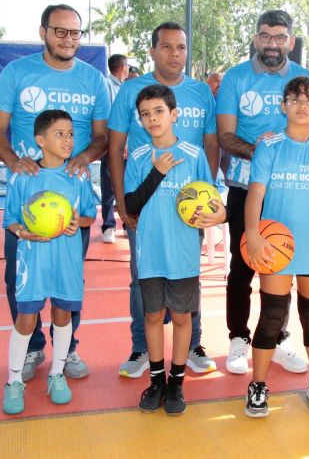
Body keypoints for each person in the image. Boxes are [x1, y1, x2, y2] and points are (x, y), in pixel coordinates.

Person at [0, 4, 110, 382]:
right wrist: (14, 161)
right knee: (19, 278)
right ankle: (34, 348)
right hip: (30, 200)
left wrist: (85, 156)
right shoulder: (17, 72)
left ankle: (67, 350)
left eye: (75, 33)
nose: (69, 39)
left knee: (69, 278)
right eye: (61, 32)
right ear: (43, 32)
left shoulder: (93, 79)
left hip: (71, 197)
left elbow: (102, 137)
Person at [108, 22, 219, 378]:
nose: (175, 54)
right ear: (153, 50)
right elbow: (114, 147)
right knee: (143, 276)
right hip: (147, 202)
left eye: (181, 47)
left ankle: (193, 345)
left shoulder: (202, 92)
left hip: (187, 208)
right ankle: (141, 347)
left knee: (188, 274)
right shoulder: (131, 91)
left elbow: (212, 145)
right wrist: (123, 204)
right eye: (167, 47)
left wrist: (206, 198)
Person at [217, 9, 309, 375]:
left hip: (292, 191)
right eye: (265, 36)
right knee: (242, 268)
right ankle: (238, 337)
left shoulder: (304, 79)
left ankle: (277, 337)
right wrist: (265, 153)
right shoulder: (236, 78)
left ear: (290, 40)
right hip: (245, 187)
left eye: (279, 37)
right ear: (256, 38)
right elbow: (226, 136)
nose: (272, 43)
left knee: (284, 265)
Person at [242, 77, 309, 417]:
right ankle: (257, 385)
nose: (303, 105)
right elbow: (255, 192)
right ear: (283, 106)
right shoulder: (269, 147)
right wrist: (253, 234)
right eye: (296, 99)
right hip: (276, 248)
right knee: (272, 315)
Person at [124, 84, 227, 416]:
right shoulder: (139, 157)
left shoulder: (194, 155)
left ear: (174, 115)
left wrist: (220, 213)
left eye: (158, 112)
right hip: (151, 253)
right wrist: (158, 172)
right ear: (139, 121)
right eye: (145, 114)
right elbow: (131, 203)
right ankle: (156, 380)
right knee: (152, 315)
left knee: (182, 317)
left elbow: (213, 199)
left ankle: (177, 382)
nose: (152, 119)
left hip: (182, 254)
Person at [1, 110, 97, 414]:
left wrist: (76, 222)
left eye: (70, 134)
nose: (68, 140)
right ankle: (14, 381)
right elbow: (10, 220)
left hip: (66, 259)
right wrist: (23, 232)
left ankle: (56, 375)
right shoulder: (23, 175)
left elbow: (90, 215)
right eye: (59, 134)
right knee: (26, 319)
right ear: (40, 140)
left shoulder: (78, 174)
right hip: (33, 261)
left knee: (62, 315)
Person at [101, 54, 130, 244]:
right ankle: (109, 226)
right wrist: (113, 147)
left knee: (129, 186)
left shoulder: (127, 88)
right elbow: (105, 120)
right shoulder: (106, 86)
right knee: (109, 188)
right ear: (123, 67)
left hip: (127, 148)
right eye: (128, 66)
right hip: (111, 147)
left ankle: (128, 222)